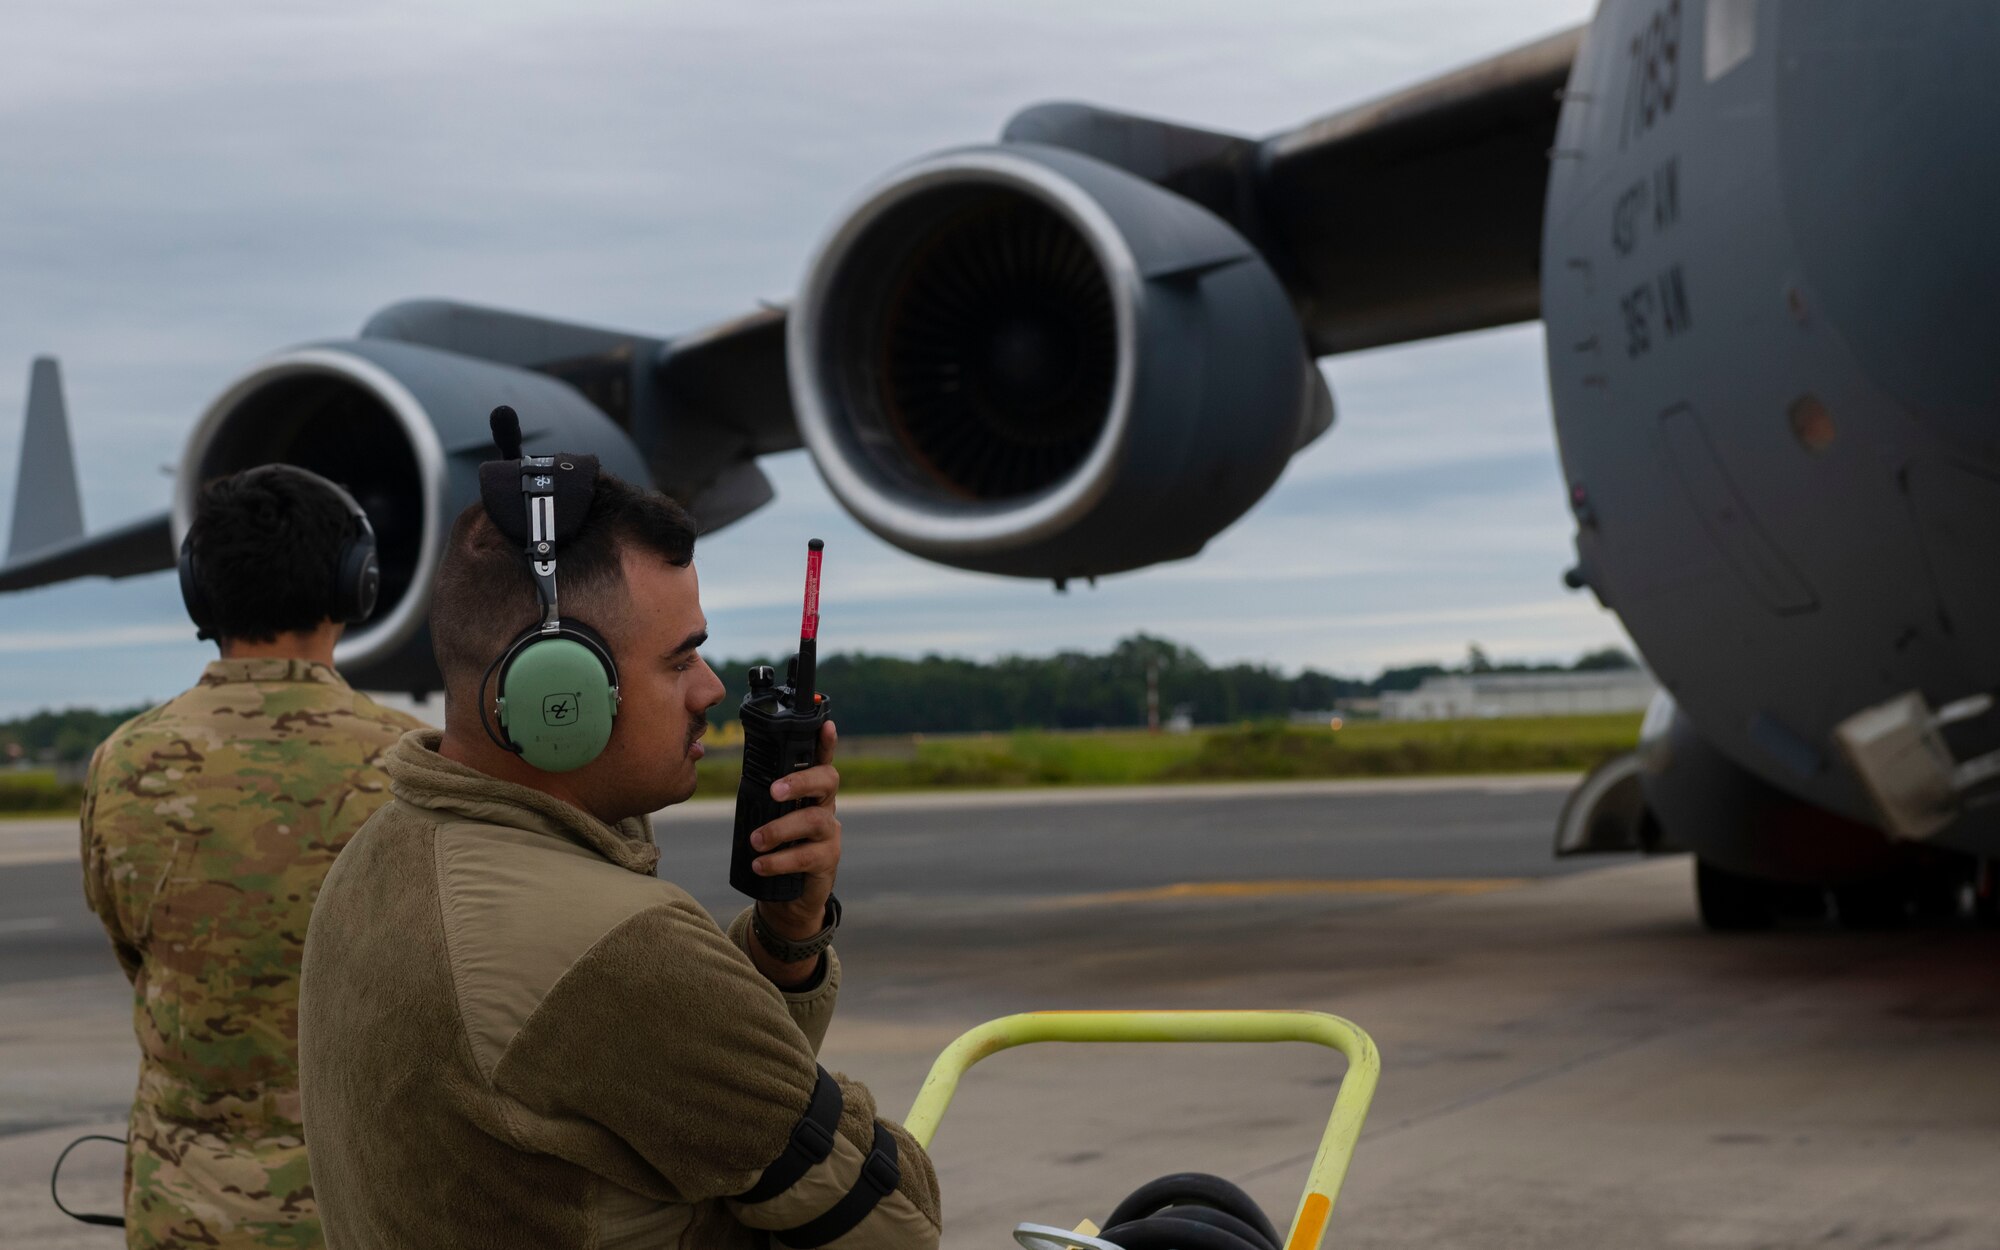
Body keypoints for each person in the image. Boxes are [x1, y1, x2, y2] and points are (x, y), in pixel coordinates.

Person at [297, 472, 942, 1250]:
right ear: (558, 693)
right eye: (679, 661)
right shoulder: (616, 949)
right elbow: (894, 1220)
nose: (711, 690)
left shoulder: (376, 857)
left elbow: (672, 1097)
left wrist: (785, 940)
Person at [80, 464, 425, 1249]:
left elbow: (134, 948)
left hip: (183, 1212)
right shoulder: (412, 761)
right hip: (365, 1206)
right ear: (357, 583)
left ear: (199, 592)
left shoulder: (124, 762)